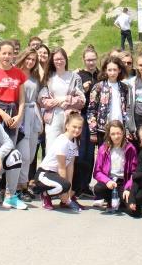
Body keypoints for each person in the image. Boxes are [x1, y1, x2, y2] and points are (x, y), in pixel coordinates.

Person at [33, 112, 84, 212]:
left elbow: (70, 166)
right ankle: (45, 194)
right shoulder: (62, 141)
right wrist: (64, 190)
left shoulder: (74, 142)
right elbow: (62, 167)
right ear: (67, 125)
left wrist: (68, 192)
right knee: (64, 186)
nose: (77, 130)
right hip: (44, 174)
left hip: (55, 175)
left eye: (80, 127)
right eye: (74, 126)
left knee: (83, 168)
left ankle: (67, 199)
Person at [38, 48, 85, 150]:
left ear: (66, 59)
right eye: (56, 59)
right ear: (52, 61)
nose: (59, 61)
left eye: (61, 59)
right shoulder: (48, 77)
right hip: (53, 118)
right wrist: (56, 102)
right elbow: (42, 99)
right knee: (52, 149)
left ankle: (69, 166)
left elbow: (82, 100)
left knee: (70, 150)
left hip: (70, 118)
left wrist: (65, 99)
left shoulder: (75, 77)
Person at [14, 48, 43, 201]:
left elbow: (38, 99)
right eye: (28, 58)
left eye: (33, 60)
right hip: (21, 113)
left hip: (33, 113)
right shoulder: (16, 73)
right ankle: (20, 186)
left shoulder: (35, 77)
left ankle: (23, 184)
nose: (30, 62)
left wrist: (40, 120)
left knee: (31, 154)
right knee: (23, 154)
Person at [0, 42, 26, 141]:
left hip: (13, 114)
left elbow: (22, 98)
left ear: (13, 55)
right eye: (4, 53)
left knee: (10, 145)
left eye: (10, 54)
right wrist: (2, 114)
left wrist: (19, 116)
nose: (7, 56)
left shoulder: (19, 73)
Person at [92, 120, 137, 213]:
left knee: (132, 209)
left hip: (123, 182)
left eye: (118, 133)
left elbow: (134, 172)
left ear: (123, 133)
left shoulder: (130, 148)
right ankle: (110, 201)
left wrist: (128, 188)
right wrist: (107, 181)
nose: (116, 136)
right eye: (113, 134)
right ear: (109, 135)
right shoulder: (103, 148)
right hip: (110, 181)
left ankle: (120, 202)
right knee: (98, 188)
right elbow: (97, 172)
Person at [87, 56, 133, 146]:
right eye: (110, 70)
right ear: (105, 70)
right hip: (103, 130)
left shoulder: (125, 88)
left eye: (115, 70)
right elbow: (91, 110)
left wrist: (127, 129)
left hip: (120, 130)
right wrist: (93, 131)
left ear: (119, 70)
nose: (112, 73)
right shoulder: (98, 87)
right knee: (105, 157)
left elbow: (128, 110)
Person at [72, 46, 99, 198]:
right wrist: (83, 88)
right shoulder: (78, 76)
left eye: (93, 59)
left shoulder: (100, 74)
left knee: (90, 153)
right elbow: (73, 94)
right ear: (83, 60)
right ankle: (77, 185)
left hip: (96, 116)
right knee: (80, 152)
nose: (91, 62)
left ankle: (86, 185)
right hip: (82, 116)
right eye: (88, 60)